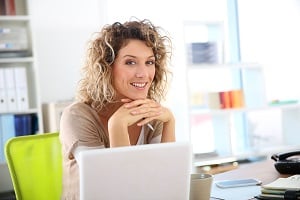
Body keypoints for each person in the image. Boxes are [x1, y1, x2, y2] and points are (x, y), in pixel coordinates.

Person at [59, 19, 176, 199]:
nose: (143, 74)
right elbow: (118, 191)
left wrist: (169, 122)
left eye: (149, 62)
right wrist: (117, 125)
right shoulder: (77, 116)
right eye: (130, 62)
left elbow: (166, 182)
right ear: (106, 67)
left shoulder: (151, 115)